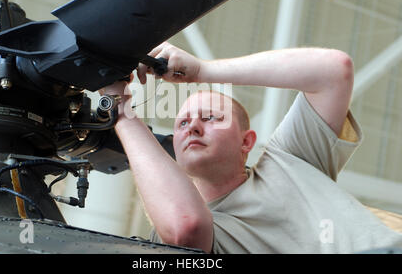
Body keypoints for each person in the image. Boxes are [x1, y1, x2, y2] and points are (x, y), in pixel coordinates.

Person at [101, 42, 402, 253]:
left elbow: (334, 70)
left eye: (211, 118)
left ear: (247, 141)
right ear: (175, 151)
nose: (192, 127)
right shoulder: (173, 230)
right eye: (181, 124)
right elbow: (186, 225)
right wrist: (122, 113)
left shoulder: (291, 160)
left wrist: (202, 71)